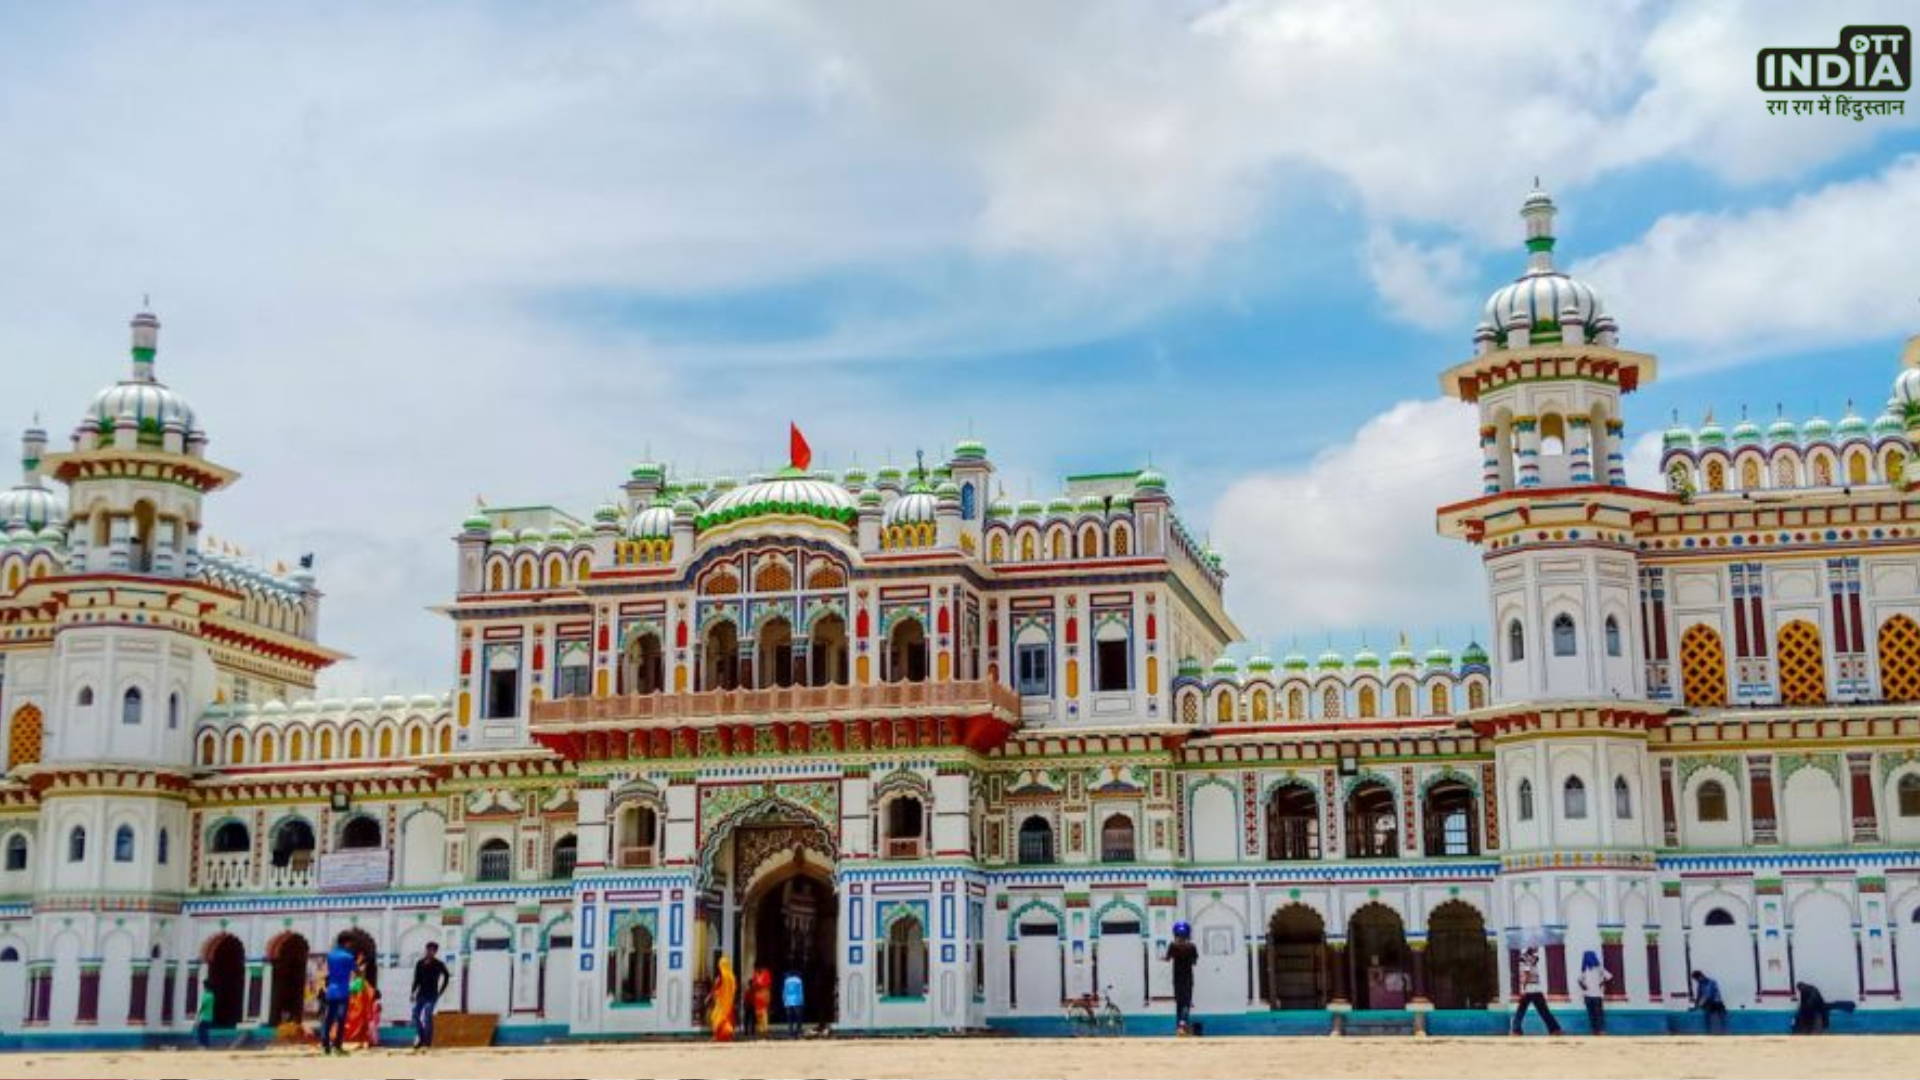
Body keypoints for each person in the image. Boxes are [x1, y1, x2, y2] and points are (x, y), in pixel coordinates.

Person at [1510, 946, 1561, 1035]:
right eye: (1535, 946)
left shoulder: (1529, 958)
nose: (1537, 947)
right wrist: (1524, 989)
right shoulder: (1527, 958)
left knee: (1521, 1010)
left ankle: (1516, 1029)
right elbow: (1527, 973)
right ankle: (1554, 1029)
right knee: (1543, 1010)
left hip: (1532, 989)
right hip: (1532, 989)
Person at [320, 932, 357, 1054]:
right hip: (343, 991)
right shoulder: (348, 956)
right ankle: (337, 1045)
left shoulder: (331, 955)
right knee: (341, 1019)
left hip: (331, 990)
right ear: (347, 943)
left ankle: (325, 1045)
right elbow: (355, 971)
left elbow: (327, 972)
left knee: (329, 1018)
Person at [410, 942, 451, 1051]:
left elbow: (447, 976)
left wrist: (441, 991)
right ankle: (421, 1036)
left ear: (435, 952)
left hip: (432, 995)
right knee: (415, 1015)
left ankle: (427, 1042)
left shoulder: (438, 964)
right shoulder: (420, 963)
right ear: (426, 950)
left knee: (427, 1014)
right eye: (428, 950)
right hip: (421, 994)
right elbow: (416, 980)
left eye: (432, 950)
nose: (430, 952)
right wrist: (412, 992)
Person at [1165, 921, 1199, 1035]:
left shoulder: (1172, 945)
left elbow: (1167, 958)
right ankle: (1183, 1024)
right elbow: (1194, 962)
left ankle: (1180, 1027)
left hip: (1177, 979)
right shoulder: (1192, 946)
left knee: (1179, 1003)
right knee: (1186, 1003)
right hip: (1188, 979)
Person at [1576, 951, 1611, 1034]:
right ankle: (1600, 1030)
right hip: (1596, 995)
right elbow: (1609, 977)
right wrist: (1601, 983)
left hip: (1588, 996)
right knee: (1598, 1014)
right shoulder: (1598, 968)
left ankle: (1595, 1030)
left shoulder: (1586, 969)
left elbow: (1579, 981)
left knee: (1592, 1015)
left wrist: (1584, 987)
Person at [708, 956, 737, 1042]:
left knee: (716, 1018)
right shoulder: (732, 977)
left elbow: (716, 988)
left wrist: (710, 996)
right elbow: (734, 989)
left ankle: (718, 1036)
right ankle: (727, 1036)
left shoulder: (721, 977)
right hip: (729, 1002)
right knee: (727, 1019)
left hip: (721, 1003)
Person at [1691, 970, 1727, 1035]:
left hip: (1716, 1004)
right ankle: (1709, 1032)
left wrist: (1699, 1005)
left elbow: (1708, 996)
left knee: (1717, 1018)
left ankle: (1720, 1032)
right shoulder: (1700, 985)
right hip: (1708, 1005)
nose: (1697, 981)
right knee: (1706, 1014)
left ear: (1700, 976)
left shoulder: (1712, 982)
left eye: (1697, 979)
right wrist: (1695, 1005)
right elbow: (1699, 996)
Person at [749, 965, 772, 1038]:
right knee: (758, 1015)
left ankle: (764, 1031)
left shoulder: (766, 973)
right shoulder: (755, 974)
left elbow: (767, 984)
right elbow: (753, 984)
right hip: (757, 997)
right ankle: (760, 1031)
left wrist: (767, 996)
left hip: (763, 995)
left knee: (764, 1014)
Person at [782, 969, 805, 1038]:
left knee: (790, 1018)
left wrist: (784, 1000)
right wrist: (802, 1000)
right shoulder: (799, 980)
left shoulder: (786, 981)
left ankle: (790, 1032)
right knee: (798, 1017)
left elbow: (784, 991)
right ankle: (798, 1030)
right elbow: (801, 991)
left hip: (788, 1001)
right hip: (797, 1000)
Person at [194, 980, 216, 1048]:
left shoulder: (206, 995)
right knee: (205, 1031)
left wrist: (197, 1015)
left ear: (206, 987)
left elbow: (202, 1006)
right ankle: (205, 1044)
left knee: (201, 1031)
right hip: (209, 1017)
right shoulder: (212, 995)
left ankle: (203, 1045)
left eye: (204, 986)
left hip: (204, 1017)